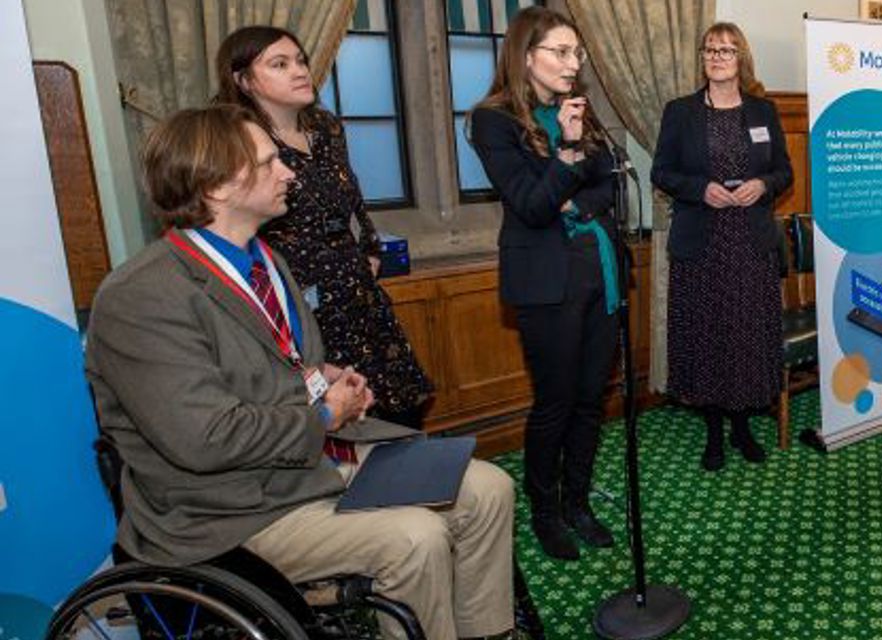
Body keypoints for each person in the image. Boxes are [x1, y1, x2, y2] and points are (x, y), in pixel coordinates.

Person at [85, 105, 515, 640]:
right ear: (217, 186)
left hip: (311, 463)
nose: (288, 172)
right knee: (415, 537)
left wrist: (325, 376)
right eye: (268, 163)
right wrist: (327, 411)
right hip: (231, 509)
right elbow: (204, 439)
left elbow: (278, 363)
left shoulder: (265, 259)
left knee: (490, 488)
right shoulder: (141, 297)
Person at [213, 26, 431, 429]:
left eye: (300, 61)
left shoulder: (327, 129)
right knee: (343, 423)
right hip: (299, 301)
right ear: (243, 80)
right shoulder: (238, 144)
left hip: (355, 287)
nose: (299, 71)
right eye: (280, 64)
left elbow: (352, 195)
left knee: (401, 410)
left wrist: (370, 249)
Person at [469, 6, 619, 561]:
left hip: (598, 274)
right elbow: (531, 207)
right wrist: (569, 152)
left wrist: (573, 194)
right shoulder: (494, 121)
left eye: (576, 52)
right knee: (555, 402)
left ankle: (579, 503)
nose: (573, 63)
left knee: (590, 401)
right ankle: (546, 511)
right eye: (561, 51)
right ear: (525, 55)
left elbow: (610, 186)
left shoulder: (581, 110)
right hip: (544, 280)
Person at [651, 22, 793, 472]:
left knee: (746, 335)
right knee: (708, 335)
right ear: (703, 57)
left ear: (741, 59)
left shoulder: (763, 111)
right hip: (704, 243)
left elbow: (784, 171)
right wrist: (699, 189)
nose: (717, 57)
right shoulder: (681, 112)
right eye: (711, 49)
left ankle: (742, 426)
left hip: (750, 243)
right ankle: (713, 432)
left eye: (727, 50)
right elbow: (662, 172)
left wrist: (762, 184)